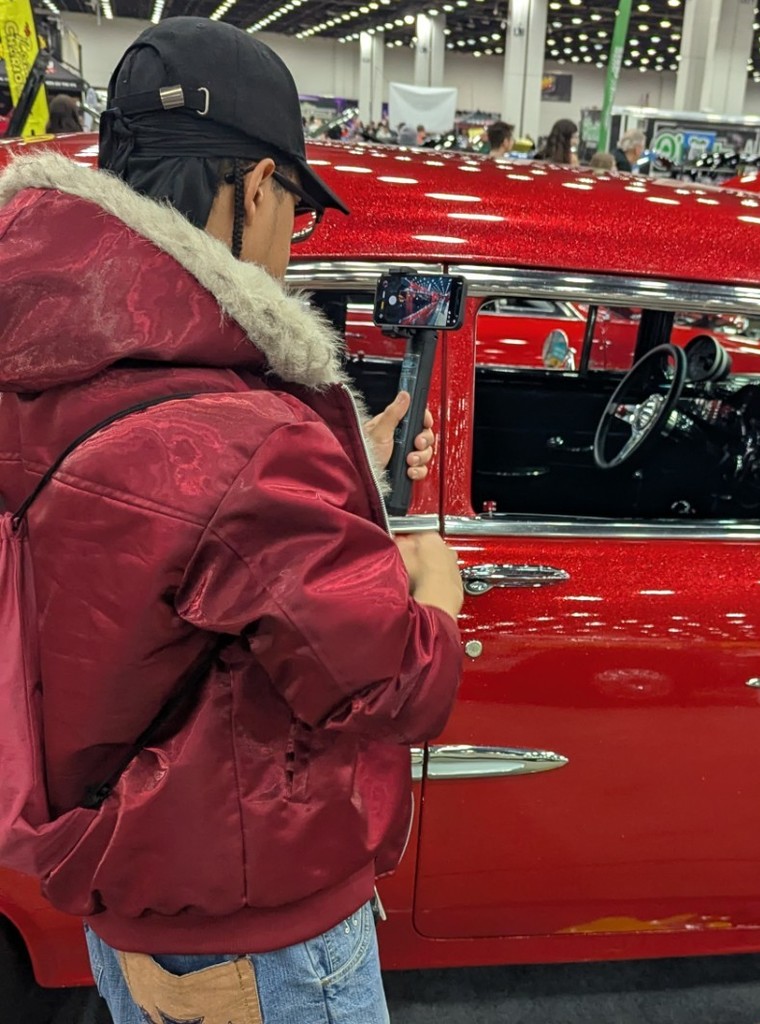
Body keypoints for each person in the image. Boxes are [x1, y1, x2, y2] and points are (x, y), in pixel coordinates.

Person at [0, 17, 464, 1024]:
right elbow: (389, 681)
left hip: (136, 885)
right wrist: (434, 590)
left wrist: (349, 468)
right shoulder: (244, 436)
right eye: (293, 209)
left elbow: (160, 548)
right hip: (253, 917)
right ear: (256, 187)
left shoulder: (48, 358)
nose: (289, 246)